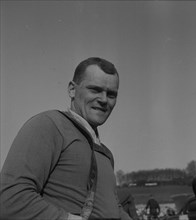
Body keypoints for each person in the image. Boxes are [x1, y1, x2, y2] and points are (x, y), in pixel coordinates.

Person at [0, 57, 132, 220]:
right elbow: (10, 199)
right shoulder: (50, 125)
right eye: (95, 90)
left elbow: (113, 208)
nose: (104, 100)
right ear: (72, 89)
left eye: (111, 94)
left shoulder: (106, 154)